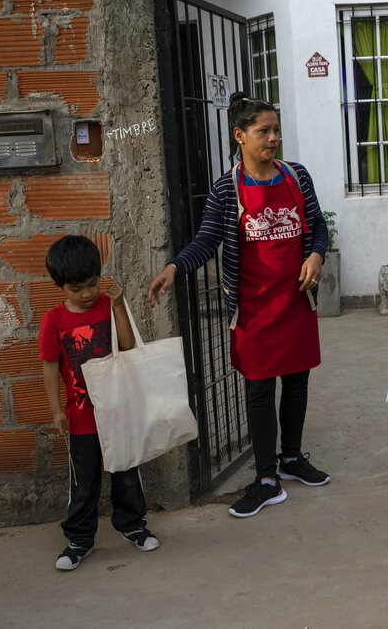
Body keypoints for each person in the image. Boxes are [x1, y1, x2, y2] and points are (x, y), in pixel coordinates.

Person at [148, 92, 331, 518]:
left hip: (296, 301)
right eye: (263, 131)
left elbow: (317, 225)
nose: (273, 139)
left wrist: (316, 255)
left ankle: (291, 459)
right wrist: (176, 267)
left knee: (298, 382)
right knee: (259, 390)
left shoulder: (297, 177)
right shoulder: (226, 190)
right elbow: (207, 239)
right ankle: (267, 478)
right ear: (239, 136)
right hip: (254, 308)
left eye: (276, 131)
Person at [40, 235, 160, 570]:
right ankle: (79, 539)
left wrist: (119, 305)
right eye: (76, 289)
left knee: (125, 470)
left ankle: (133, 525)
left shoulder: (108, 305)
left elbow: (127, 344)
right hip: (80, 418)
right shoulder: (54, 321)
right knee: (83, 481)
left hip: (118, 412)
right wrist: (55, 410)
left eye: (92, 285)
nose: (87, 294)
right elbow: (49, 366)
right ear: (60, 285)